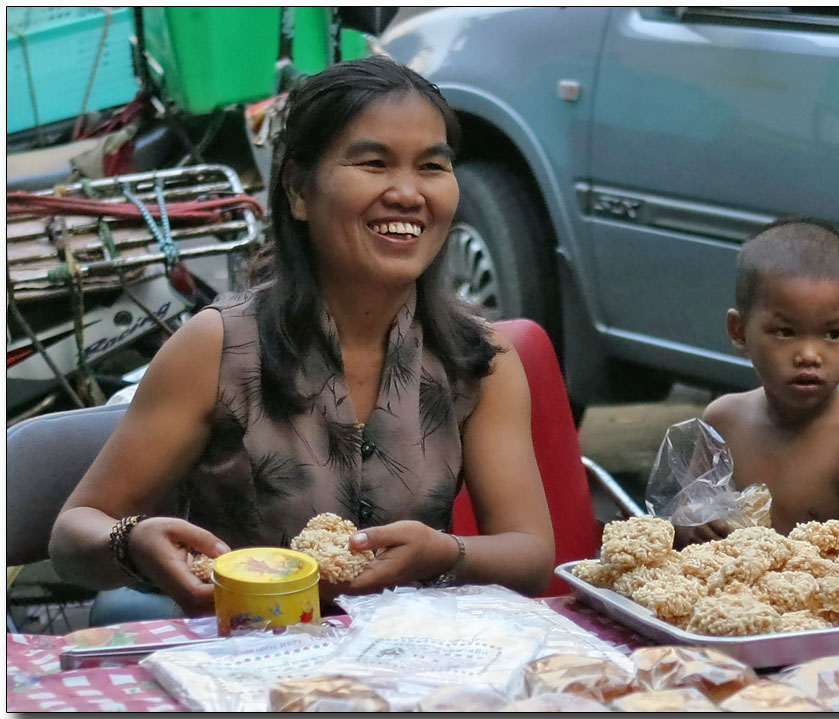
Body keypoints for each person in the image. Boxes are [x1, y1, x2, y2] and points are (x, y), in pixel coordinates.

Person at [49, 56, 555, 617]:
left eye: (433, 167)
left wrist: (444, 552)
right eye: (373, 162)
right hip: (241, 665)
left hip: (411, 669)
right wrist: (130, 542)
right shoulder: (217, 347)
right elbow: (73, 536)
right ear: (297, 189)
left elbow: (530, 555)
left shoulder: (478, 359)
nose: (409, 194)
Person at [675, 218, 839, 546]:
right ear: (739, 331)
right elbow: (683, 526)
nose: (810, 354)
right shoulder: (721, 421)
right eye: (785, 332)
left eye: (833, 334)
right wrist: (694, 524)